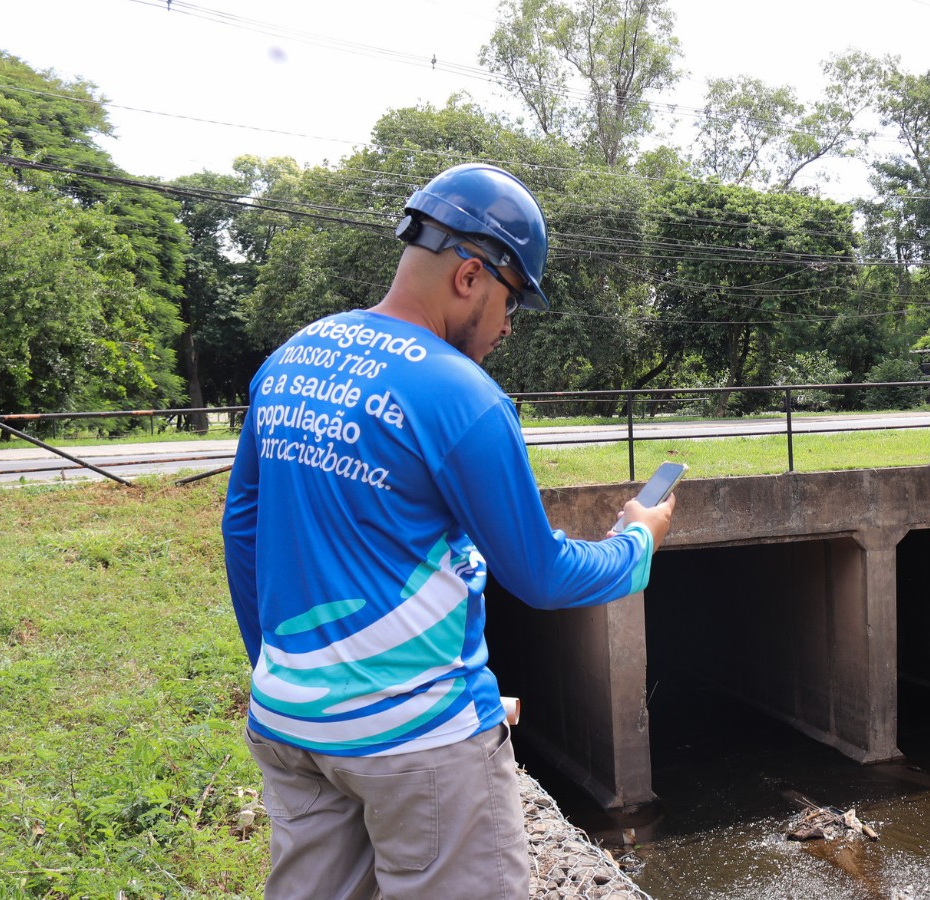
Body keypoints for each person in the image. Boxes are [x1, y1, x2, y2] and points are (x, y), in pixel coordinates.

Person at [221, 162, 675, 899]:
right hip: (417, 743)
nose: (505, 329)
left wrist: (283, 673)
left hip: (289, 724)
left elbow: (242, 528)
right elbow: (542, 572)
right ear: (470, 277)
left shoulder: (290, 361)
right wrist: (638, 541)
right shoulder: (462, 396)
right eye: (511, 303)